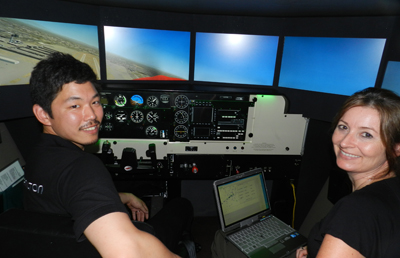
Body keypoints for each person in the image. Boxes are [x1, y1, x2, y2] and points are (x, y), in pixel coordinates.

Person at [24, 52, 193, 258]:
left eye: (95, 102)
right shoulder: (83, 166)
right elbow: (130, 252)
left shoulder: (37, 155)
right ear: (43, 114)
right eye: (75, 106)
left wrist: (121, 196)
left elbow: (67, 192)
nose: (92, 116)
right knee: (181, 205)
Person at [297, 87, 400, 258]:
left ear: (396, 148)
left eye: (366, 134)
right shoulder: (392, 190)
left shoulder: (357, 210)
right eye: (343, 127)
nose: (345, 142)